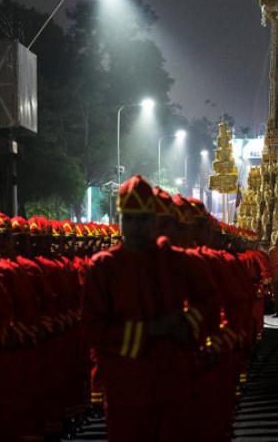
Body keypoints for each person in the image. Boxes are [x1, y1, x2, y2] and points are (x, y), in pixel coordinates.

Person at [82, 175, 195, 441]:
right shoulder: (103, 267)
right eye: (128, 218)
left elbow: (209, 300)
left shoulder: (173, 261)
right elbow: (92, 329)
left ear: (154, 220)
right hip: (126, 388)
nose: (135, 226)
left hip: (172, 384)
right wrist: (152, 330)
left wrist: (190, 329)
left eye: (142, 218)